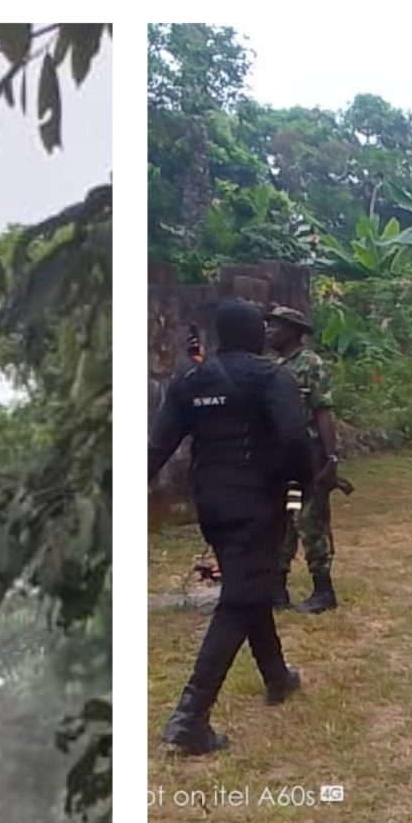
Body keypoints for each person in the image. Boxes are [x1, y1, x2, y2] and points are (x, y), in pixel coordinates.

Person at [149, 299, 315, 754]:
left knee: (249, 584)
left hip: (211, 505)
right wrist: (302, 482)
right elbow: (294, 436)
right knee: (240, 598)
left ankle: (277, 676)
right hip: (257, 502)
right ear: (256, 335)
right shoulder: (270, 376)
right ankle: (190, 717)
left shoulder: (189, 380)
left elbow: (158, 445)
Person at [264, 304, 342, 613]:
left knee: (310, 521)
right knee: (281, 520)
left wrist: (331, 458)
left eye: (277, 326)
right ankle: (277, 587)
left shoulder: (311, 364)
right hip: (279, 459)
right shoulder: (272, 366)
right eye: (268, 325)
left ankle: (323, 590)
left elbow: (323, 412)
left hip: (308, 456)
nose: (269, 330)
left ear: (294, 332)